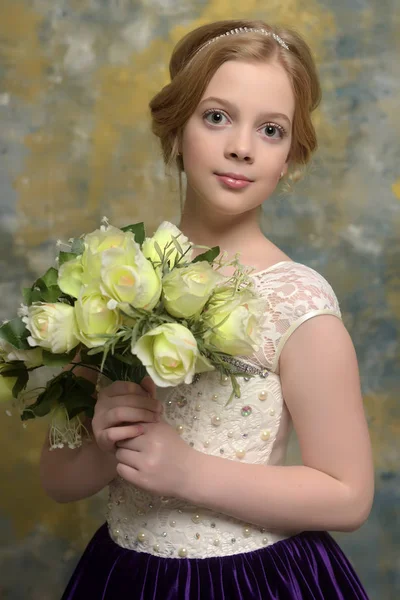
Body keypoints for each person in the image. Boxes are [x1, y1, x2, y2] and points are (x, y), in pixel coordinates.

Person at [40, 19, 374, 599]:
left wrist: (190, 473)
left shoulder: (298, 303)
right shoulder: (119, 277)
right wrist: (101, 443)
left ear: (290, 157)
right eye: (217, 116)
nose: (241, 146)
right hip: (128, 575)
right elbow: (57, 477)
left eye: (270, 130)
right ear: (176, 129)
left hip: (251, 579)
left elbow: (348, 495)